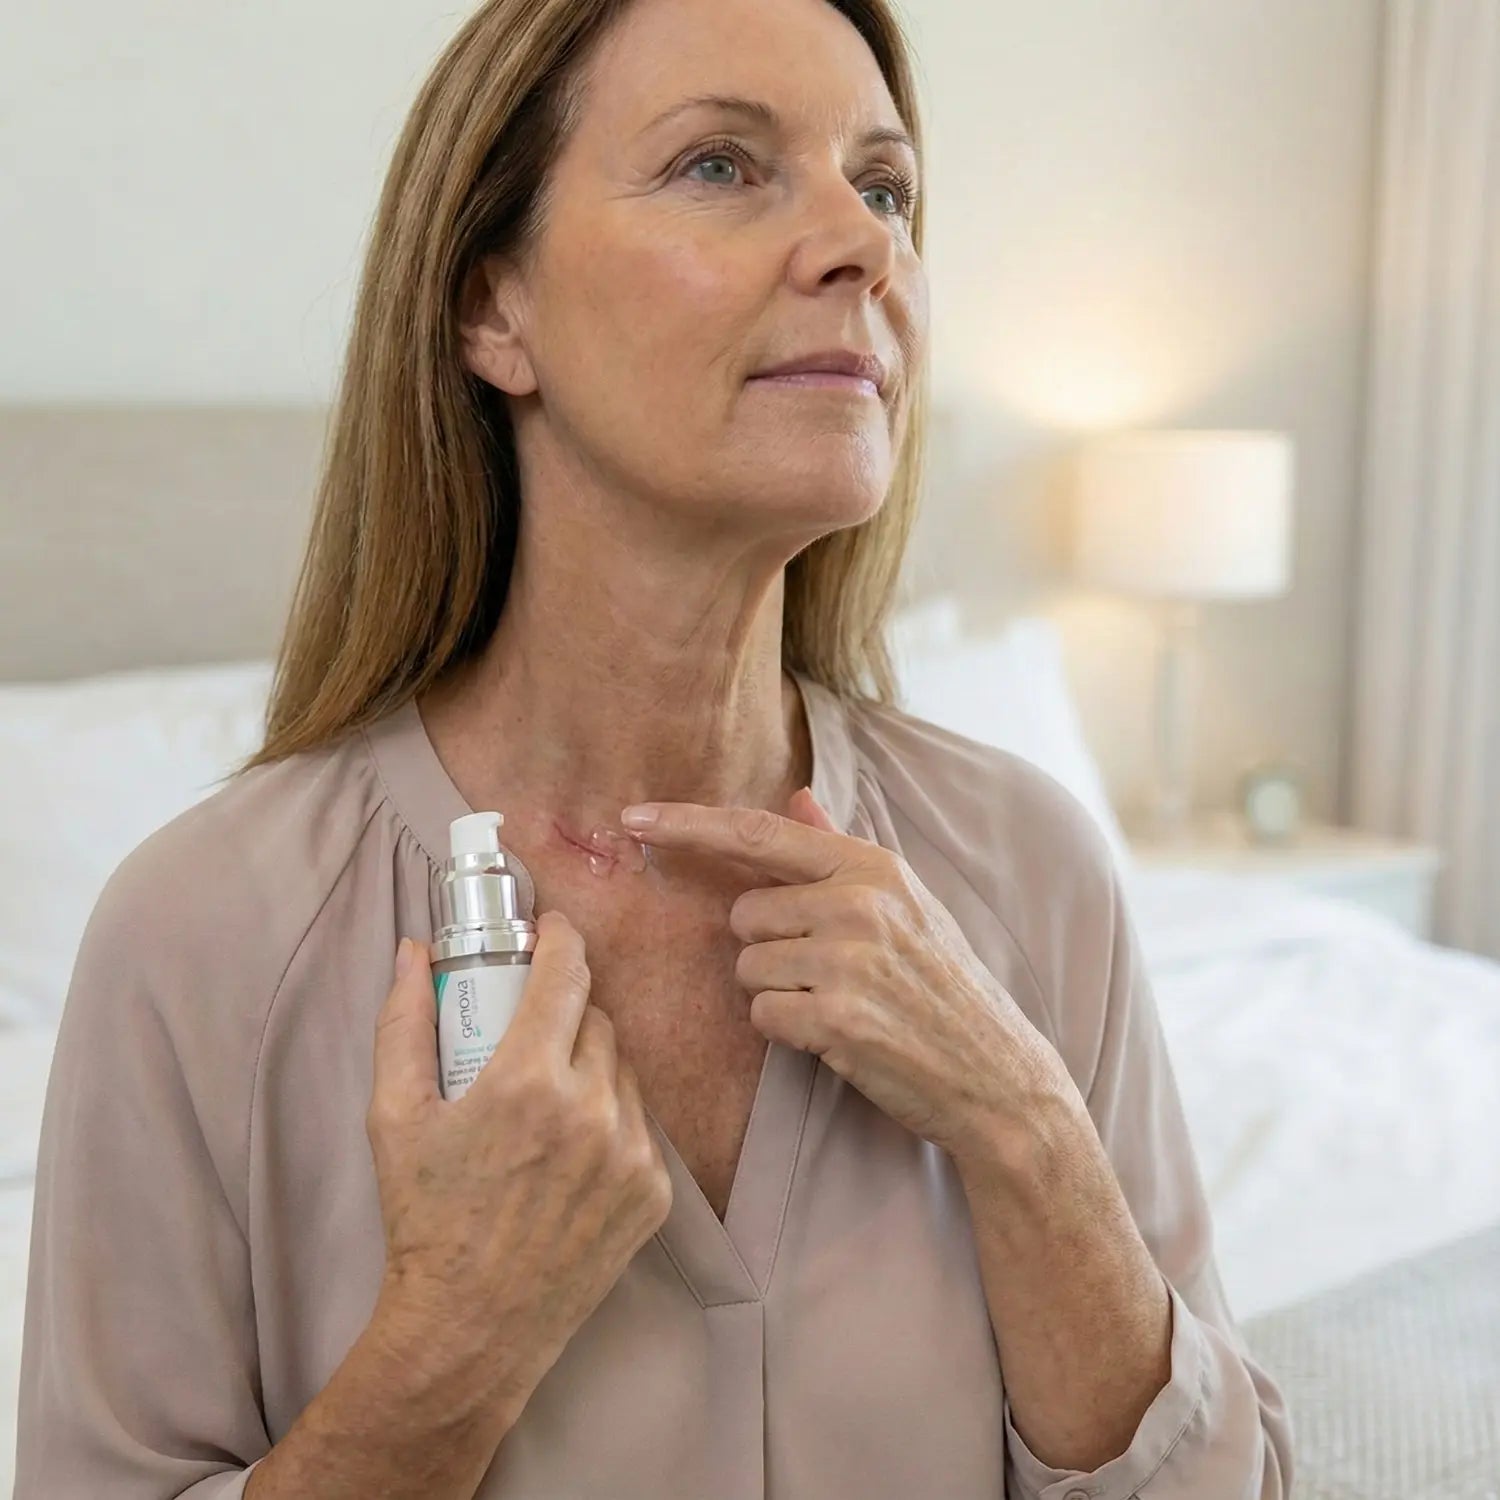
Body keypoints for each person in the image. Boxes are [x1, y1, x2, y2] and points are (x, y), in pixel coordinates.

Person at [15, 0, 1294, 1495]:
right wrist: (453, 1339)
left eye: (885, 188)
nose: (862, 246)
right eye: (720, 167)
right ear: (494, 308)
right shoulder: (203, 937)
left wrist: (1027, 1132)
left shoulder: (1032, 867)